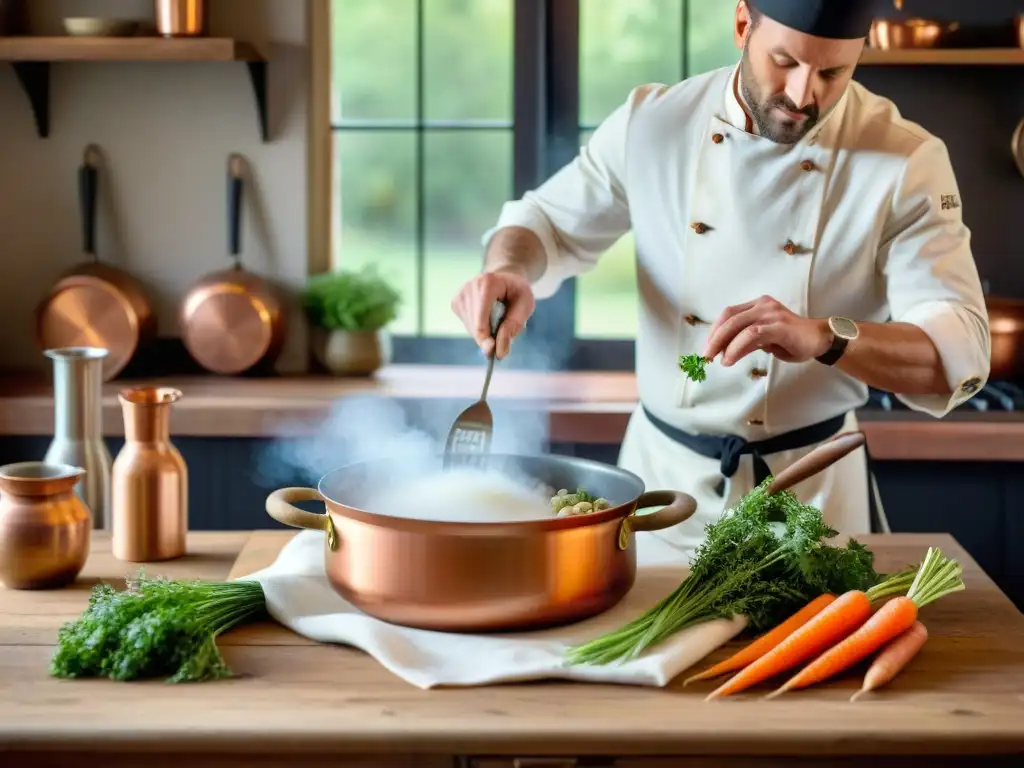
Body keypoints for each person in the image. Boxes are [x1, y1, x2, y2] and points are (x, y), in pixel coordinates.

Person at [449, 0, 990, 558]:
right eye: (785, 61)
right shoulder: (652, 122)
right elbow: (542, 223)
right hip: (661, 493)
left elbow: (957, 348)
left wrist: (826, 337)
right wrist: (507, 269)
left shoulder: (906, 159)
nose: (804, 95)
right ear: (741, 25)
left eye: (833, 73)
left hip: (814, 499)